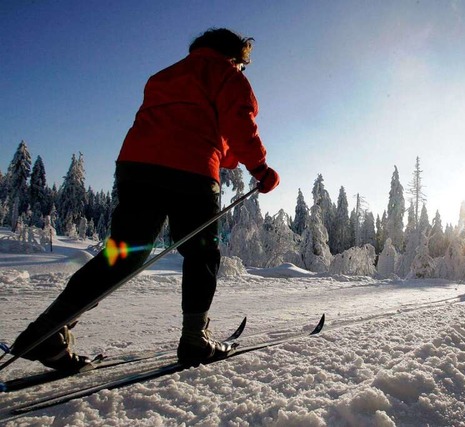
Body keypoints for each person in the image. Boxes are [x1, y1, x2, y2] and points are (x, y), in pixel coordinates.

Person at [11, 28, 279, 369]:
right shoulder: (227, 75)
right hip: (192, 173)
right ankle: (195, 340)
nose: (243, 68)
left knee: (123, 254)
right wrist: (261, 169)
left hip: (137, 169)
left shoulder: (165, 76)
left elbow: (182, 126)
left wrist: (224, 154)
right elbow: (239, 124)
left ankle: (47, 330)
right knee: (201, 253)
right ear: (234, 56)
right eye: (243, 63)